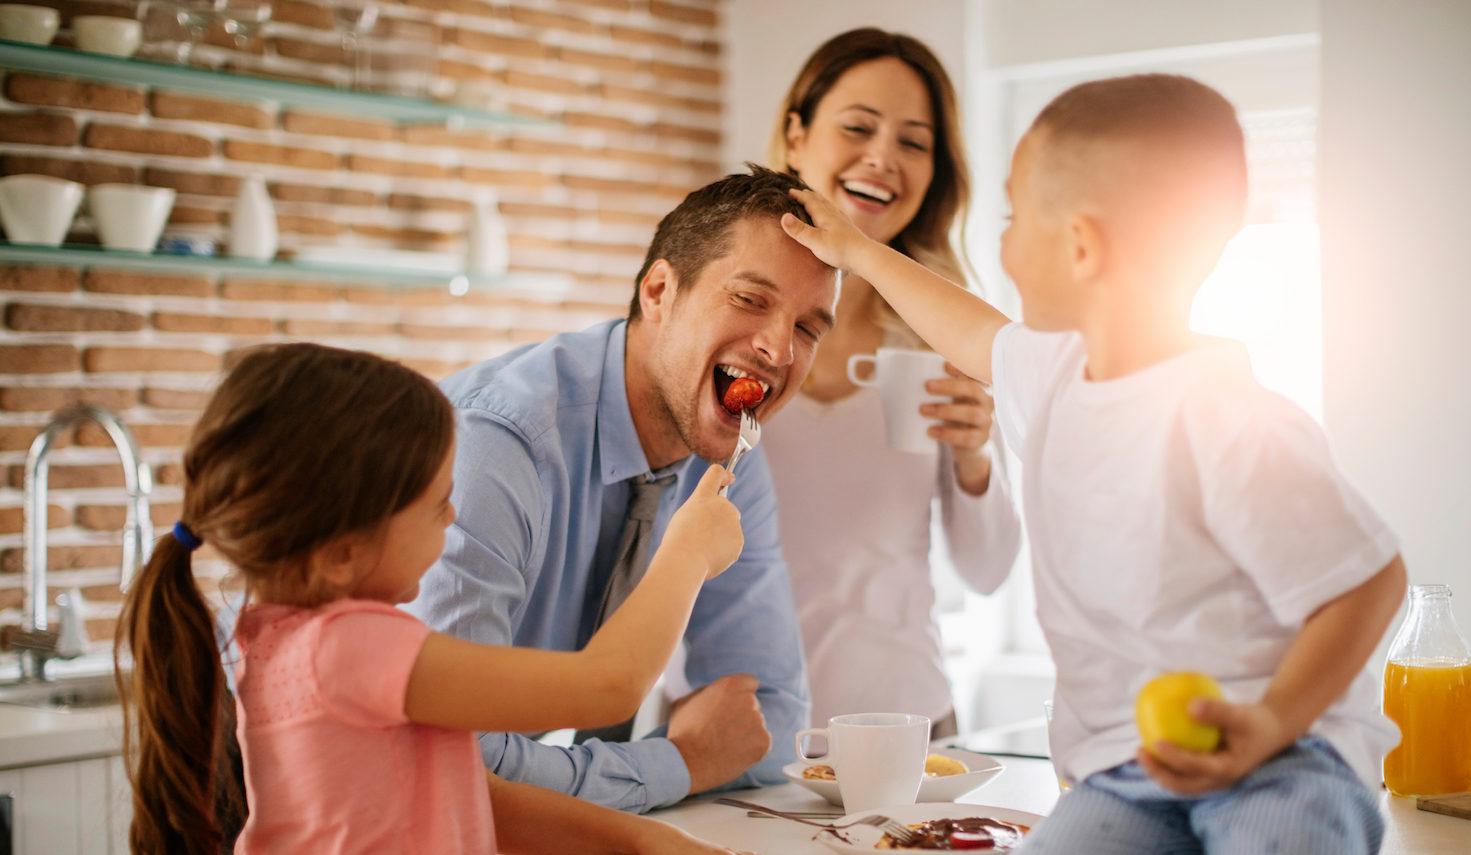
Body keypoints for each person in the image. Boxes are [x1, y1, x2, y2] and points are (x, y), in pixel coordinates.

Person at [781, 73, 1407, 853]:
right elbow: (965, 325)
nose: (1000, 245)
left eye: (1012, 219)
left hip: (1287, 759)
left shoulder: (1228, 417)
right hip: (1121, 770)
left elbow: (1368, 581)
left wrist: (1273, 720)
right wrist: (858, 252)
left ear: (1079, 245)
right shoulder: (1051, 376)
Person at [115, 342, 748, 855]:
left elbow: (467, 793)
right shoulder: (354, 646)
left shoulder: (275, 640)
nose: (453, 517)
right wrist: (687, 552)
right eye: (436, 501)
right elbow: (609, 685)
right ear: (340, 550)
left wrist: (644, 841)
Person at [407, 166, 838, 813]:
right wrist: (679, 761)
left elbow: (765, 715)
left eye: (808, 327)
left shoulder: (732, 457)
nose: (779, 348)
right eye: (751, 299)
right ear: (659, 291)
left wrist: (690, 757)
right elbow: (457, 762)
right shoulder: (495, 443)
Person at [761, 28, 1022, 735]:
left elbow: (990, 570)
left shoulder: (944, 335)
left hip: (909, 726)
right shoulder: (727, 322)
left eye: (914, 141)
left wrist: (975, 458)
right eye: (857, 127)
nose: (883, 157)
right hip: (733, 728)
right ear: (796, 135)